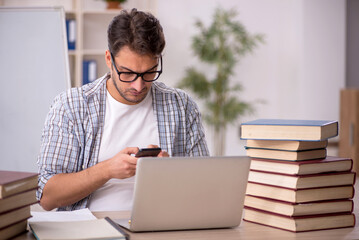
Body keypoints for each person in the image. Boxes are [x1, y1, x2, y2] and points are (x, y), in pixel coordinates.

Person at [37, 8, 209, 211]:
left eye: (149, 73)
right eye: (127, 73)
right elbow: (47, 197)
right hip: (91, 229)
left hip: (161, 226)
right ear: (109, 60)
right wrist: (107, 170)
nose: (138, 86)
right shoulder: (71, 106)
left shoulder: (182, 106)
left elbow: (204, 189)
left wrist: (170, 174)